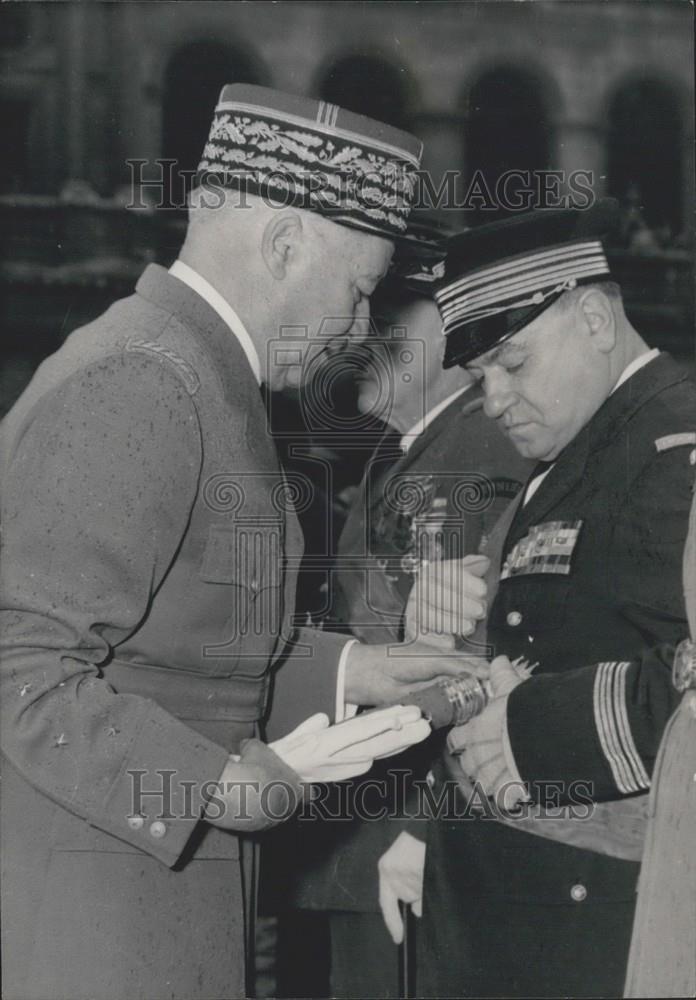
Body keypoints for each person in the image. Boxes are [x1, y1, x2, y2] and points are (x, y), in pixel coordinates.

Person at [0, 85, 485, 1000]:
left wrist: (352, 673)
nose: (356, 328)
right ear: (285, 244)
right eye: (360, 290)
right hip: (96, 922)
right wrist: (212, 787)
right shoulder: (142, 380)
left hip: (154, 904)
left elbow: (176, 650)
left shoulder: (202, 376)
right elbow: (18, 661)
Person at [376, 199, 696, 997]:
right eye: (479, 376)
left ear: (593, 317)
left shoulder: (674, 445)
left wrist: (534, 729)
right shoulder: (585, 442)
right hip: (511, 903)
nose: (493, 398)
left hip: (599, 927)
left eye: (513, 363)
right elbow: (553, 637)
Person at [264, 274, 531, 997]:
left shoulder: (475, 448)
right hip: (367, 824)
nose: (359, 342)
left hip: (401, 833)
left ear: (452, 331)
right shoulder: (425, 448)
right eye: (361, 320)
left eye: (387, 327)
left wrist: (427, 830)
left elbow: (459, 663)